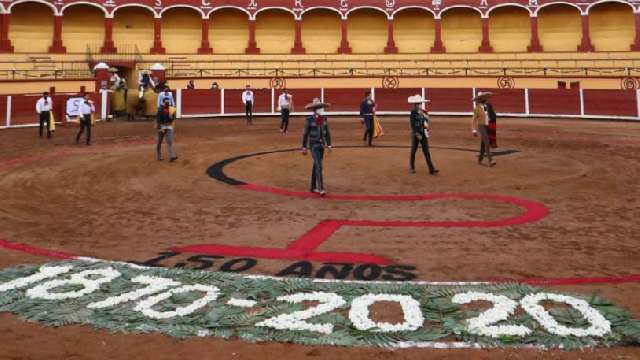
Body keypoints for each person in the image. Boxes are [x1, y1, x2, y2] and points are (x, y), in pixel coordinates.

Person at [302, 98, 332, 197]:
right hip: (313, 145)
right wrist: (304, 147)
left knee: (316, 165)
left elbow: (327, 132)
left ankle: (312, 186)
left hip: (321, 145)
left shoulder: (324, 119)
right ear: (315, 109)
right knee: (319, 166)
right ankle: (321, 188)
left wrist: (329, 144)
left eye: (321, 107)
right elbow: (305, 134)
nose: (321, 109)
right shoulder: (309, 119)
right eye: (319, 108)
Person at [408, 95, 438, 175]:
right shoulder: (413, 112)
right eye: (418, 103)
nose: (420, 104)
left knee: (426, 152)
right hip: (416, 134)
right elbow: (412, 124)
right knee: (413, 151)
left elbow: (426, 123)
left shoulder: (424, 112)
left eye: (420, 103)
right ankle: (411, 167)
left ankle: (431, 169)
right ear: (415, 104)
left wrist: (426, 131)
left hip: (423, 134)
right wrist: (416, 133)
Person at [472, 91, 496, 167]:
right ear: (479, 100)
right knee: (487, 142)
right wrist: (474, 130)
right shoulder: (476, 108)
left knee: (483, 144)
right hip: (481, 126)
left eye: (484, 98)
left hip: (488, 126)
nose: (483, 100)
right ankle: (490, 161)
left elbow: (490, 116)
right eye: (481, 99)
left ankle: (480, 160)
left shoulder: (487, 106)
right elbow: (474, 119)